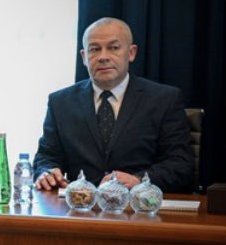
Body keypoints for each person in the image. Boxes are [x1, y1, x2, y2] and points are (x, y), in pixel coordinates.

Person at [33, 17, 194, 193]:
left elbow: (180, 164)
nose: (103, 57)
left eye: (114, 48)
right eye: (95, 49)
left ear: (131, 53)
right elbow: (47, 156)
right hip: (81, 204)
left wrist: (139, 180)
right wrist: (46, 172)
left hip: (141, 203)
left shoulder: (164, 99)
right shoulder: (60, 102)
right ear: (84, 57)